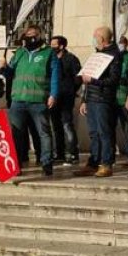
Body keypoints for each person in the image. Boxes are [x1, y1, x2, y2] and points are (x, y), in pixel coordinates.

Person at [1, 25, 57, 176]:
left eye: (34, 34)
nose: (31, 37)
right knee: (16, 134)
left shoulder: (49, 53)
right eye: (28, 35)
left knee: (44, 133)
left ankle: (46, 162)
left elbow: (55, 75)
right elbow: (9, 74)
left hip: (39, 100)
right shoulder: (19, 53)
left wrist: (53, 94)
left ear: (40, 36)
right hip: (18, 100)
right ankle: (16, 163)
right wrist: (3, 67)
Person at [75, 27, 122, 178]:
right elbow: (87, 81)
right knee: (94, 133)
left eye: (95, 36)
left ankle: (107, 163)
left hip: (103, 100)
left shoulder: (114, 56)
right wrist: (84, 100)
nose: (93, 39)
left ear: (102, 39)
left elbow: (113, 80)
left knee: (104, 132)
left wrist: (94, 80)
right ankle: (93, 162)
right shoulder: (97, 54)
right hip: (92, 99)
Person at [48, 35, 83, 166]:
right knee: (56, 126)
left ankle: (72, 154)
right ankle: (59, 153)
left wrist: (70, 89)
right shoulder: (50, 58)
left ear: (61, 46)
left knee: (67, 124)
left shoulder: (71, 59)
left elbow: (78, 78)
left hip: (66, 98)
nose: (51, 47)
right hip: (54, 98)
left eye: (54, 45)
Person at [113, 36, 128, 167]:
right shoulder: (113, 57)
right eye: (118, 43)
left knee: (126, 128)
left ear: (126, 44)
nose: (120, 45)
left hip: (123, 97)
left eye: (122, 43)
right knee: (110, 128)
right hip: (111, 97)